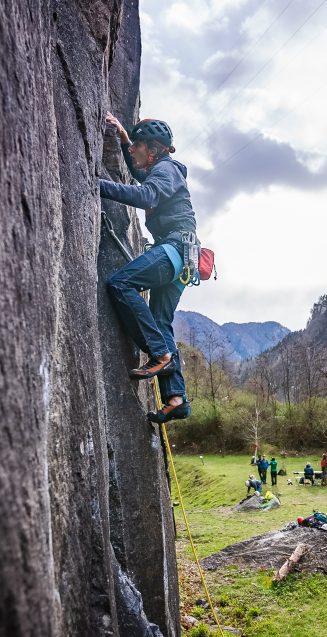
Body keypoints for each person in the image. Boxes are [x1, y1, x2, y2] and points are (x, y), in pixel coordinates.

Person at [100, 114, 195, 423]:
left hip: (174, 249)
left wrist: (96, 184)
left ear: (152, 150)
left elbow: (146, 194)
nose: (134, 152)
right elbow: (141, 177)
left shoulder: (166, 169)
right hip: (183, 257)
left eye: (138, 146)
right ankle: (176, 397)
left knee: (120, 283)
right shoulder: (162, 168)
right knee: (161, 322)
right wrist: (126, 138)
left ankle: (160, 355)